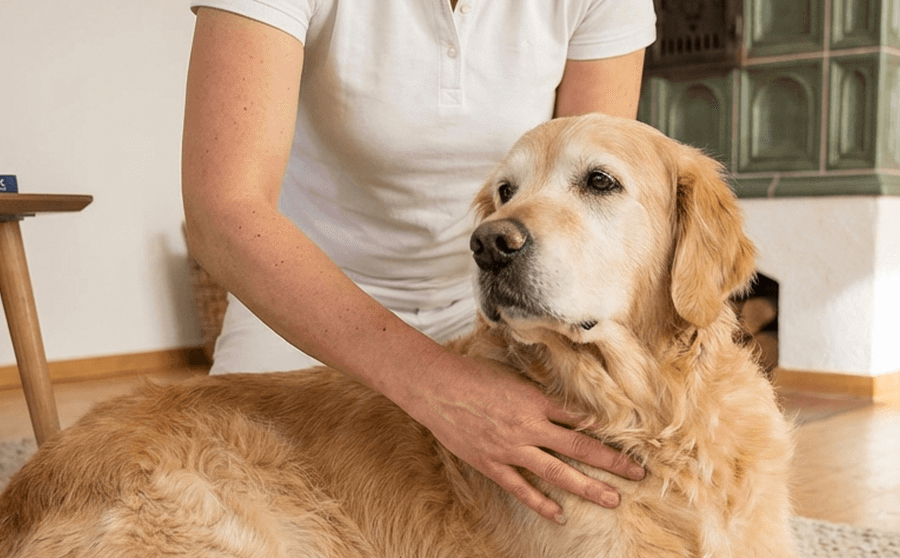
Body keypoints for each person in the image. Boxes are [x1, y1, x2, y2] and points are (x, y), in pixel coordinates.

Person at [180, 1, 656, 525]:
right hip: (303, 302)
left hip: (496, 309)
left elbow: (589, 188)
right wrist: (437, 384)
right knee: (225, 513)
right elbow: (222, 212)